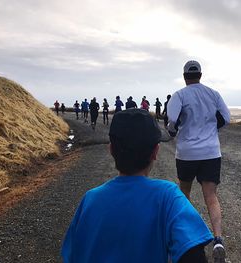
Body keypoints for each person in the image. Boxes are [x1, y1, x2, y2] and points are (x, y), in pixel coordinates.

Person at [61, 109, 213, 262]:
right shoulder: (167, 196)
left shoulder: (90, 200)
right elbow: (193, 255)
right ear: (155, 152)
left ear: (111, 150)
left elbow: (73, 254)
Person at [167, 60, 231, 263]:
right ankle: (218, 239)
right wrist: (211, 130)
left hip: (187, 153)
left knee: (184, 192)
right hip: (211, 152)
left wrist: (173, 131)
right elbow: (226, 118)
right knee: (211, 196)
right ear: (200, 75)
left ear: (185, 76)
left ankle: (187, 237)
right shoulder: (213, 94)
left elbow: (172, 120)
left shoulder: (180, 95)